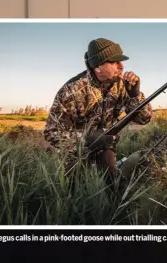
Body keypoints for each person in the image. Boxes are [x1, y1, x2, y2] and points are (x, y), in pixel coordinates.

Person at [43, 37, 153, 184]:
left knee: (112, 187)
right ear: (97, 67)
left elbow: (144, 119)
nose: (121, 66)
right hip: (76, 154)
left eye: (121, 61)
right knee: (77, 192)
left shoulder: (122, 85)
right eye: (114, 62)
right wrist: (87, 139)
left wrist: (135, 95)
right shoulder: (72, 90)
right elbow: (51, 132)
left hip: (106, 149)